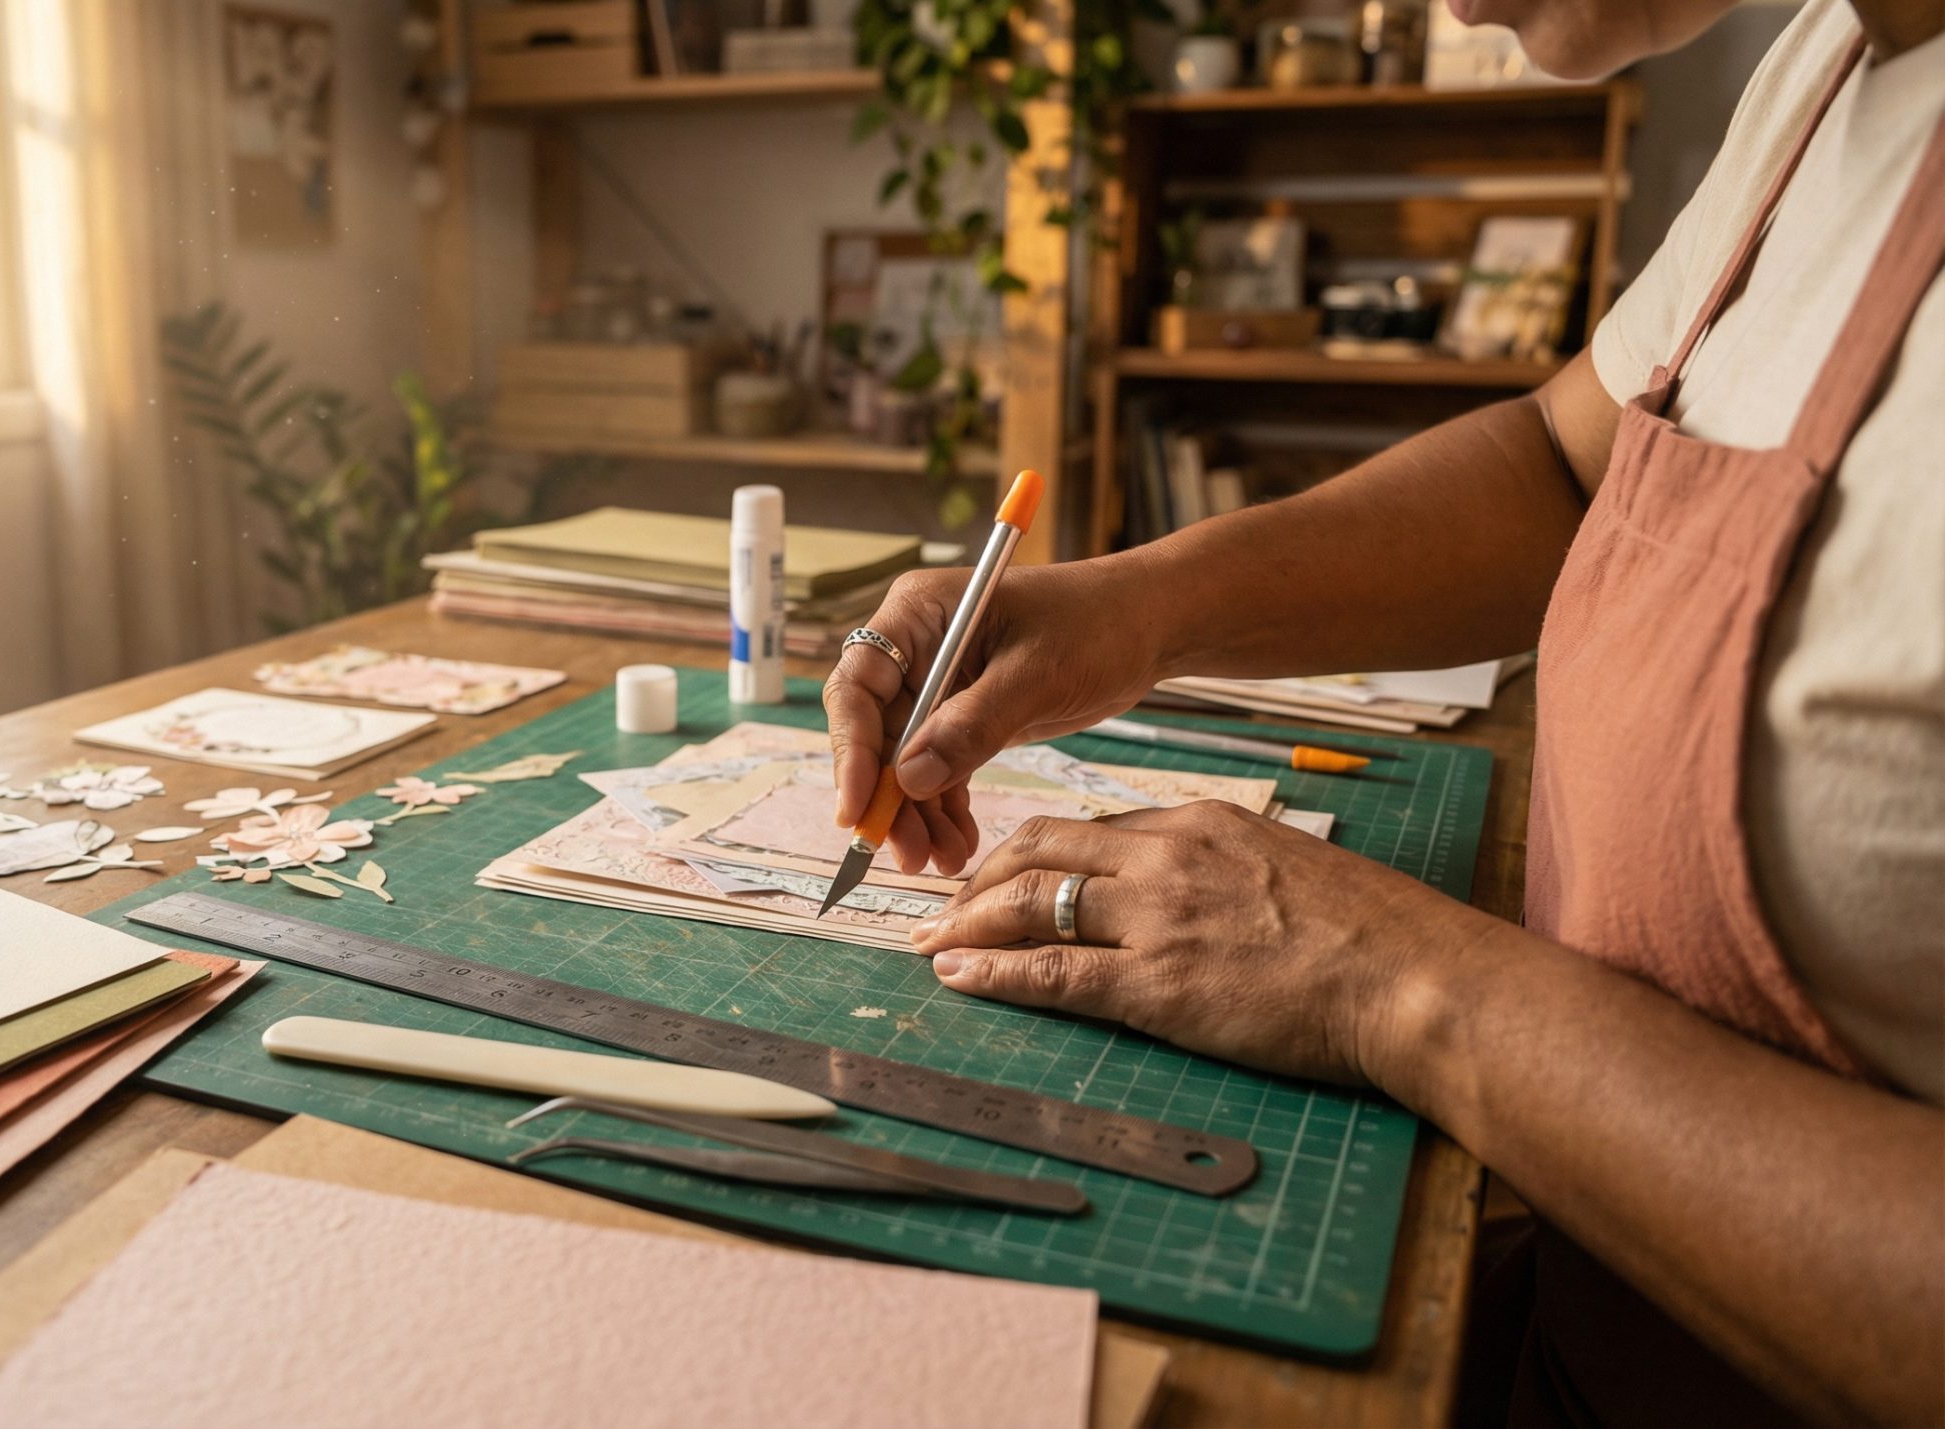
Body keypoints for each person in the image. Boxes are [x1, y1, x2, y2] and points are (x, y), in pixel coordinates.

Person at [824, 0, 1944, 1420]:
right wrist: (1128, 609)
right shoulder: (1832, 60)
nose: (1436, 10)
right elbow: (1565, 465)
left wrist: (1394, 983)